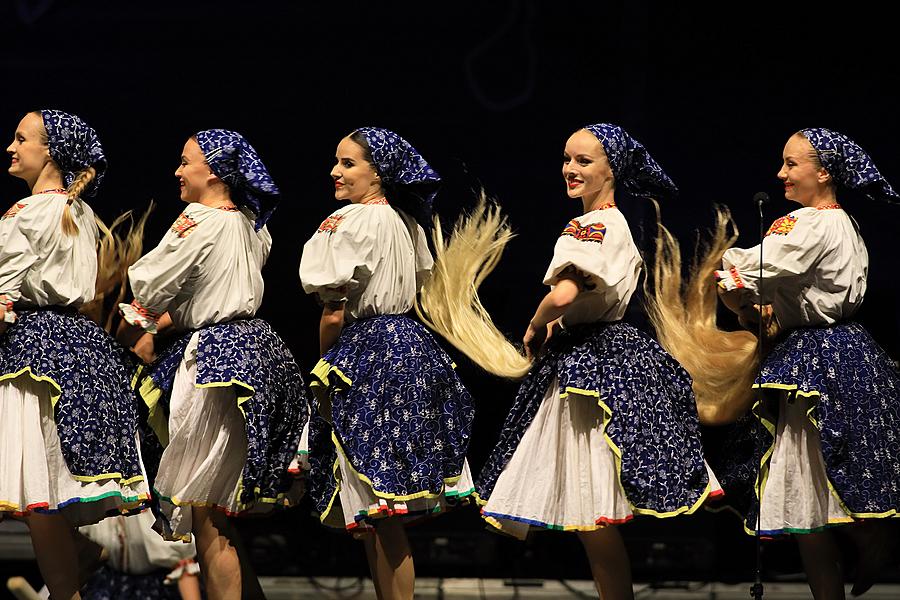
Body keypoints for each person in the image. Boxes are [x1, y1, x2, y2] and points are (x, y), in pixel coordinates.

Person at [417, 123, 722, 600]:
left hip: (589, 367)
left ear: (611, 170)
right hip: (605, 358)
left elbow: (563, 293)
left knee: (592, 505)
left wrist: (537, 325)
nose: (570, 169)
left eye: (584, 161)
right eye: (567, 159)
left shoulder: (590, 225)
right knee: (593, 514)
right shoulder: (616, 223)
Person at [708, 128, 900, 599]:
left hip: (819, 361)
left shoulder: (812, 223)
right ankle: (857, 549)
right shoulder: (843, 225)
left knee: (809, 485)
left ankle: (867, 534)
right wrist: (741, 304)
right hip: (828, 352)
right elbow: (768, 301)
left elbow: (759, 268)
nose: (781, 174)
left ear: (824, 172)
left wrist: (727, 277)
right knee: (801, 496)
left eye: (792, 164)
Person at [116, 129, 307, 600]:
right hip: (259, 353)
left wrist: (134, 324)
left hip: (218, 362)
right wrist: (159, 323)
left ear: (215, 171)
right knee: (217, 505)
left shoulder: (198, 218)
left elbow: (148, 283)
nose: (178, 172)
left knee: (205, 504)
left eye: (186, 162)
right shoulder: (248, 223)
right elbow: (208, 293)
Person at [299, 127, 476, 600]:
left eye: (349, 163)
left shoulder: (349, 221)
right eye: (336, 162)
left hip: (367, 354)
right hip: (409, 349)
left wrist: (324, 366)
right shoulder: (406, 223)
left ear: (378, 172)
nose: (336, 172)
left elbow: (333, 309)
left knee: (381, 510)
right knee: (381, 512)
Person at [1, 109, 150, 600]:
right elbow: (86, 296)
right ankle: (77, 556)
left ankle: (67, 590)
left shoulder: (25, 213)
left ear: (51, 153)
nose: (10, 147)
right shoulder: (80, 212)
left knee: (37, 493)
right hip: (83, 349)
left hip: (36, 352)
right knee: (48, 485)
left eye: (21, 140)